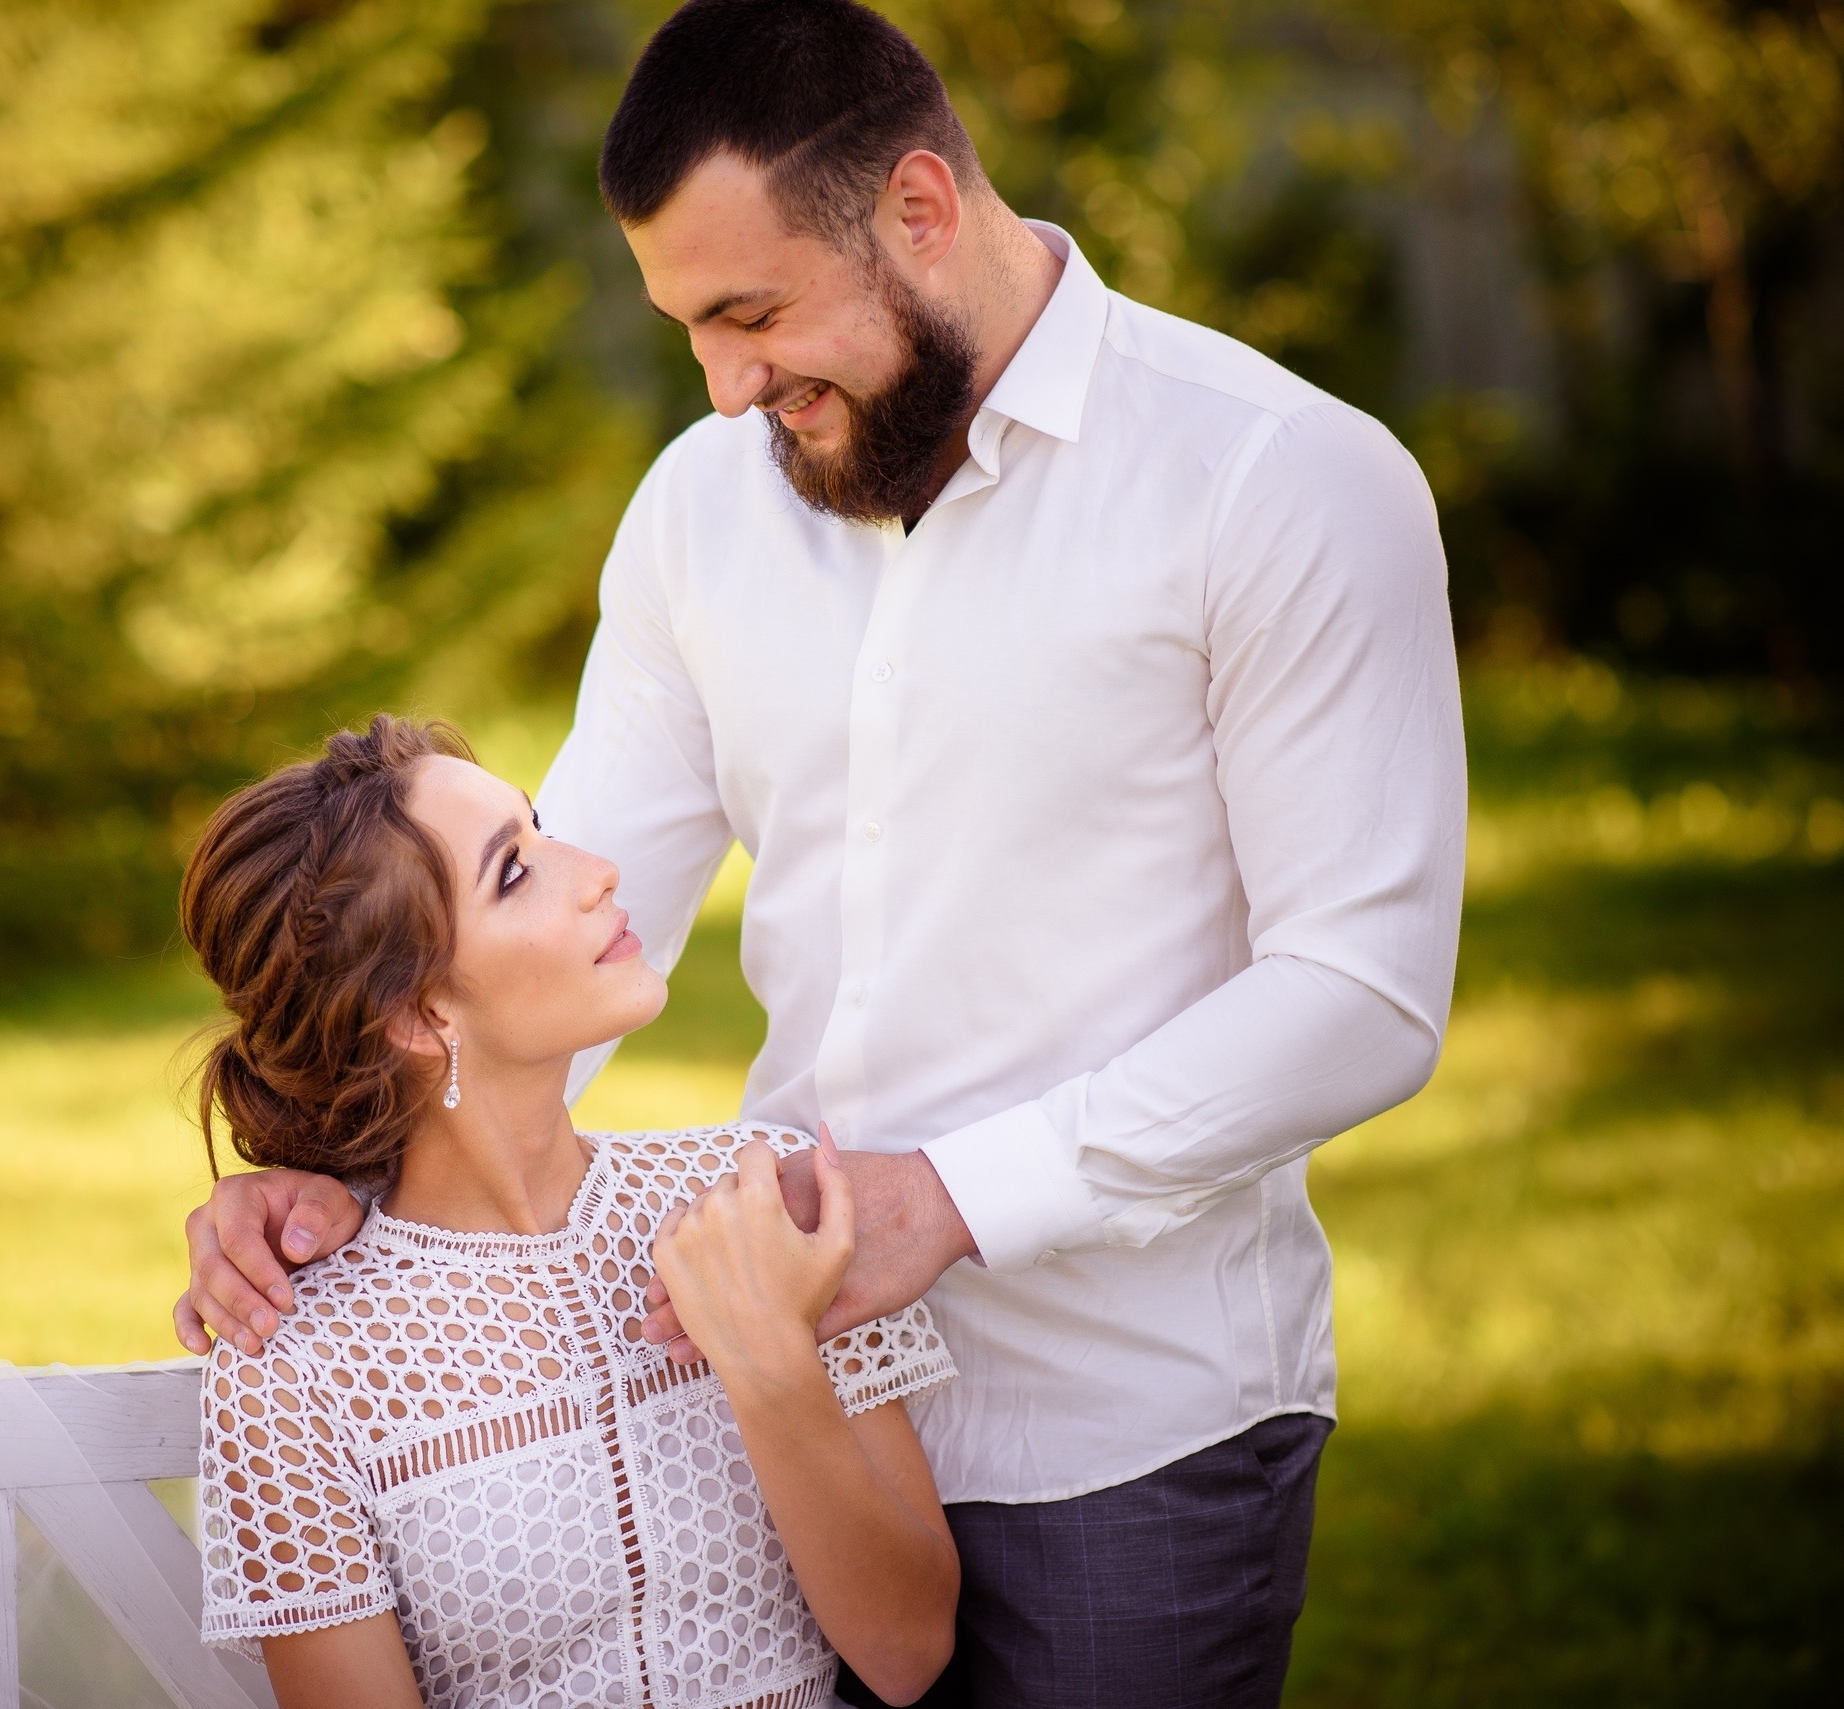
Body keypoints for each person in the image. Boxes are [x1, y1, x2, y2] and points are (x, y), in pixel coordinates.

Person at [175, 2, 1467, 1705]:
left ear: (921, 210)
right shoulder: (704, 508)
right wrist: (347, 1166)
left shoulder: (1281, 480)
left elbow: (1362, 991)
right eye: (688, 327)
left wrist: (948, 1199)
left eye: (753, 311)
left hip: (1123, 1430)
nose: (724, 385)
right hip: (767, 1418)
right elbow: (545, 908)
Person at [182, 715, 963, 1709]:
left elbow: (909, 1649)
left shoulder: (754, 1197)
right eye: (514, 871)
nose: (595, 869)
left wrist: (769, 1353)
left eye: (540, 825)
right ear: (422, 1014)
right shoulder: (291, 1362)